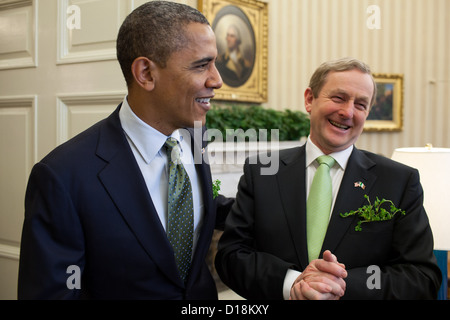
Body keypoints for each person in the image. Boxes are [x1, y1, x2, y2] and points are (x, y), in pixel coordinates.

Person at [18, 1, 233, 300]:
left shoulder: (194, 137)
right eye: (201, 65)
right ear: (145, 73)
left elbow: (200, 205)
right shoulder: (62, 177)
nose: (217, 80)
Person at [215, 57, 441, 300]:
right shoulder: (261, 172)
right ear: (309, 99)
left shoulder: (398, 181)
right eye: (338, 98)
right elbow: (232, 256)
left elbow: (421, 276)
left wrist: (340, 285)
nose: (348, 112)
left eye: (361, 104)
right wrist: (292, 282)